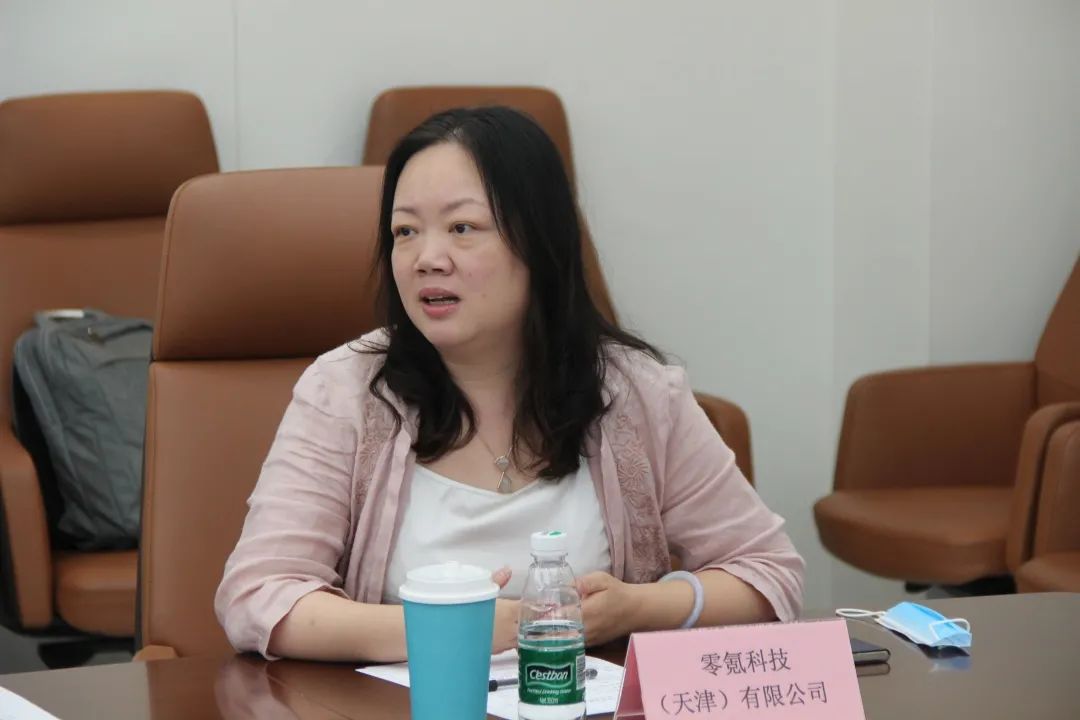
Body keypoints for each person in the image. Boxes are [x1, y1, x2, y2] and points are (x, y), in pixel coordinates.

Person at [215, 106, 804, 662]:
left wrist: (638, 609)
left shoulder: (637, 393)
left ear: (539, 243)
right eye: (405, 232)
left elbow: (768, 572)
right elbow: (258, 596)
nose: (427, 258)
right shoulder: (345, 390)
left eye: (463, 227)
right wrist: (453, 628)